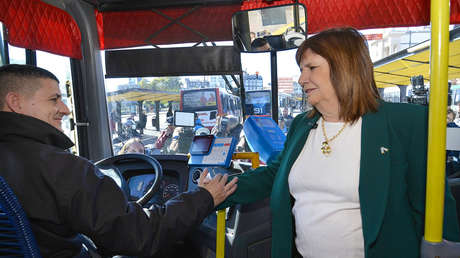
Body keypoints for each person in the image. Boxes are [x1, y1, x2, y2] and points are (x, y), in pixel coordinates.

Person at [217, 27, 460, 258]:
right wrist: (216, 193)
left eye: (311, 68)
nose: (302, 79)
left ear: (344, 68)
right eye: (302, 69)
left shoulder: (404, 123)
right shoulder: (303, 125)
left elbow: (434, 205)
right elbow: (275, 174)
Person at [0, 64, 238, 257]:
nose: (65, 109)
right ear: (15, 102)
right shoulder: (61, 168)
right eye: (54, 99)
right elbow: (140, 234)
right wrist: (204, 197)